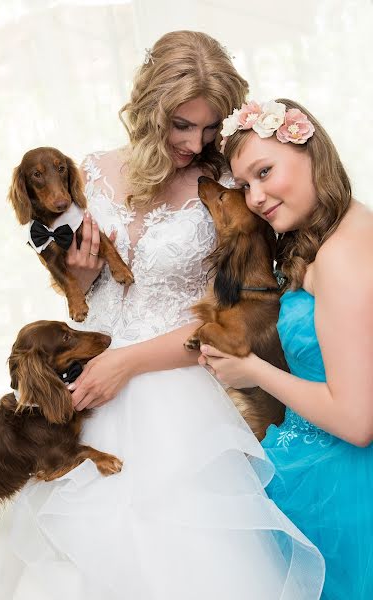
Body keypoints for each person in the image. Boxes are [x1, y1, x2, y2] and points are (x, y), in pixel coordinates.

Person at [0, 37, 324, 599]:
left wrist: (127, 364)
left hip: (176, 385)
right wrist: (82, 281)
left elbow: (232, 317)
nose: (195, 143)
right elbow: (85, 301)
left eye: (210, 130)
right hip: (85, 382)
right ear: (150, 108)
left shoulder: (230, 190)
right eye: (182, 125)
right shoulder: (87, 171)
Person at [200, 98, 373, 599]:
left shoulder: (341, 258)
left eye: (264, 171)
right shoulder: (347, 228)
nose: (254, 197)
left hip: (339, 488)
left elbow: (358, 421)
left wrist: (251, 369)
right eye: (245, 185)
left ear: (312, 151)